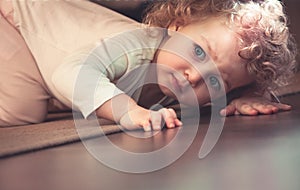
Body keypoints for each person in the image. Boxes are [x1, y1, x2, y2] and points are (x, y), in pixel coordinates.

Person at [0, 0, 297, 131]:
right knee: (23, 110)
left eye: (220, 81)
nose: (194, 76)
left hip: (43, 46)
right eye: (198, 52)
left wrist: (245, 98)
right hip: (17, 16)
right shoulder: (133, 45)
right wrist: (128, 110)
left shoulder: (178, 72)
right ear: (177, 27)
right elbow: (71, 73)